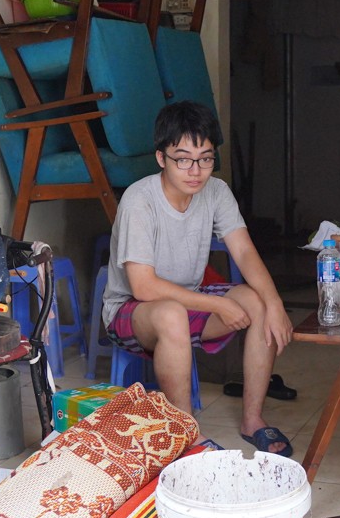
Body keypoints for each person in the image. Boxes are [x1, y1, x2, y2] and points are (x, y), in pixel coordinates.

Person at [101, 101, 295, 456]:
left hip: (188, 296)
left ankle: (253, 420)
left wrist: (275, 304)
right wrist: (216, 303)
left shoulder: (216, 192)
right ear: (161, 158)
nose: (196, 170)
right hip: (133, 310)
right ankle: (186, 434)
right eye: (183, 159)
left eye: (205, 158)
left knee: (256, 301)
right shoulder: (139, 200)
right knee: (172, 313)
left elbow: (245, 252)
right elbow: (143, 287)